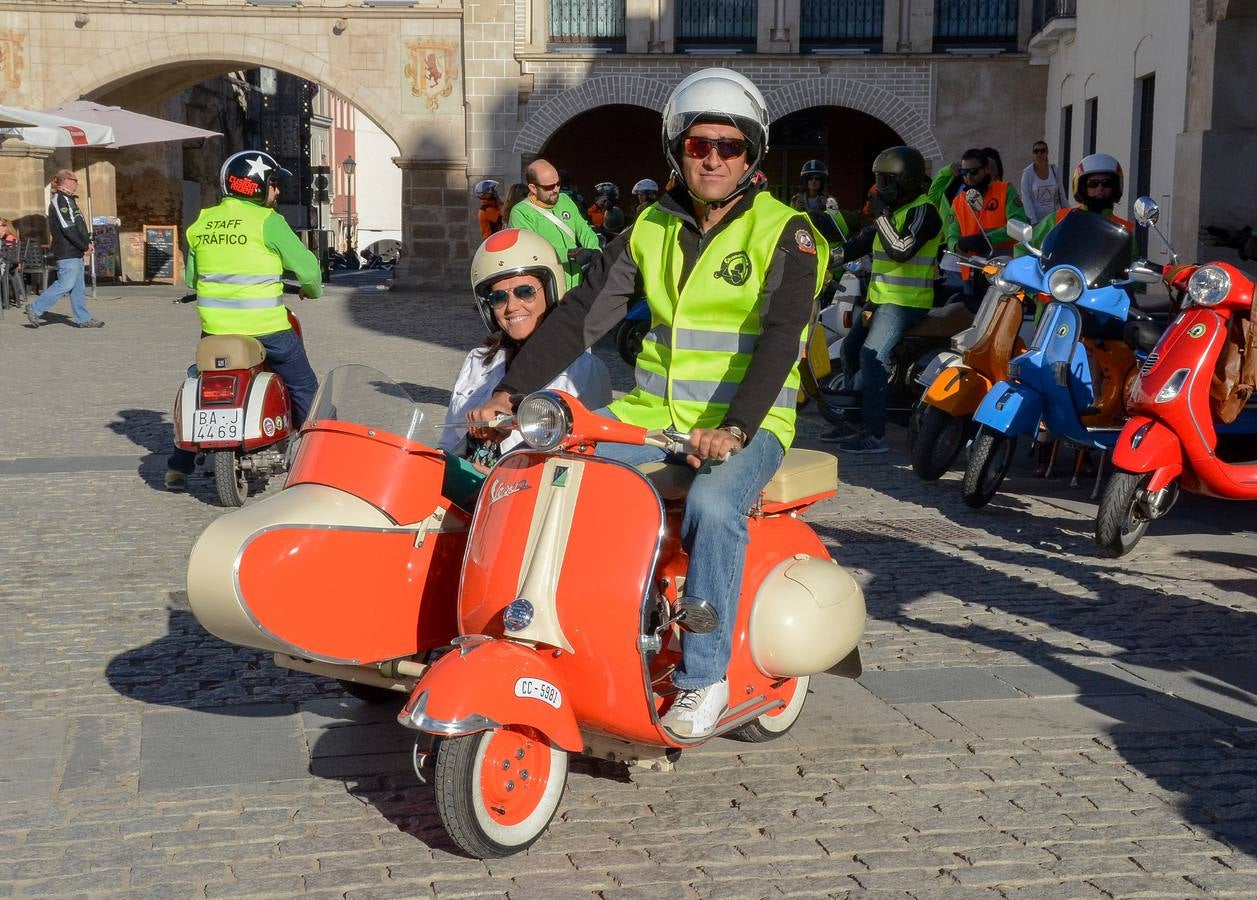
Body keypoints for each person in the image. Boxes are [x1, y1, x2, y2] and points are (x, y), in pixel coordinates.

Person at [470, 68, 824, 739]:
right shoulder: (647, 230)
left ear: (752, 156)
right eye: (698, 146)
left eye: (731, 146)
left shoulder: (789, 233)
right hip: (649, 416)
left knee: (716, 507)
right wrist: (511, 392)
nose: (714, 158)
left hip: (746, 423)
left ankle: (702, 678)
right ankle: (556, 626)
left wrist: (737, 426)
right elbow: (579, 317)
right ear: (676, 152)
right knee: (544, 469)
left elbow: (783, 338)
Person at [164, 150, 324, 491]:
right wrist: (312, 289)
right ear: (254, 187)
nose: (277, 192)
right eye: (273, 184)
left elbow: (193, 278)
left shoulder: (201, 223)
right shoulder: (268, 222)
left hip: (215, 331)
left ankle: (178, 463)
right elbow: (308, 270)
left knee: (198, 378)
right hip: (267, 328)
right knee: (304, 385)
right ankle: (324, 455)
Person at [440, 228, 610, 482]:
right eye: (498, 297)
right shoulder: (478, 361)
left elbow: (594, 461)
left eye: (525, 292)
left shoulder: (583, 370)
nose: (512, 307)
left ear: (551, 291)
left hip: (532, 502)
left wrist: (511, 477)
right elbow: (448, 443)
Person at [822, 146, 943, 455]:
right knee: (849, 350)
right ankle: (852, 421)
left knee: (873, 358)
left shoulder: (924, 211)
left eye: (885, 181)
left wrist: (880, 216)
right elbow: (858, 245)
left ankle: (874, 434)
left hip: (906, 303)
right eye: (878, 180)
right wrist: (821, 259)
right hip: (880, 299)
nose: (878, 188)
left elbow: (901, 249)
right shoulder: (890, 214)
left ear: (907, 180)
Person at [508, 158, 601, 290]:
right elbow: (531, 251)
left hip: (577, 282)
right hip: (549, 285)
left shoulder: (565, 200)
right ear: (533, 188)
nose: (556, 190)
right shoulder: (521, 212)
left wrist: (595, 251)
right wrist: (569, 254)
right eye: (549, 187)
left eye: (558, 184)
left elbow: (583, 228)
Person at [25, 169, 101, 329]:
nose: (77, 183)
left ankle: (83, 318)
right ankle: (35, 308)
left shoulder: (69, 200)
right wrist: (83, 245)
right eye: (75, 180)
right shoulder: (60, 200)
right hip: (67, 251)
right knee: (65, 284)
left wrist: (87, 243)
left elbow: (79, 225)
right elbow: (68, 227)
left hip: (75, 250)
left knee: (78, 287)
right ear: (66, 180)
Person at [946, 147, 1026, 295]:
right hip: (971, 275)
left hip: (1005, 273)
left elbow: (1019, 224)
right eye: (964, 173)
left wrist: (988, 239)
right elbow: (951, 235)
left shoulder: (1005, 190)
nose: (968, 177)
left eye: (974, 172)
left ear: (986, 169)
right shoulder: (959, 201)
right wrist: (958, 244)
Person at [1019, 141, 1069, 225]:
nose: (1039, 154)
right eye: (1036, 151)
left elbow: (1062, 195)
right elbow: (1026, 199)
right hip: (1036, 223)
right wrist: (1033, 222)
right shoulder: (1027, 174)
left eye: (1043, 151)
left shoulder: (1054, 170)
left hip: (1053, 220)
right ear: (1033, 154)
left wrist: (1068, 212)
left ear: (1047, 152)